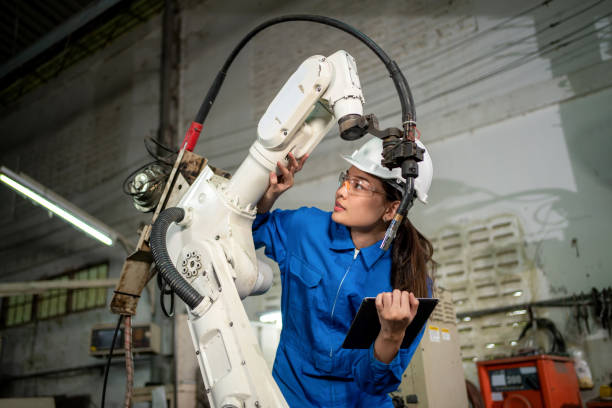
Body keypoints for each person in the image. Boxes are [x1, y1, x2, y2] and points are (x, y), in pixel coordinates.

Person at [252, 137, 435, 407]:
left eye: (358, 186)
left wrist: (392, 335)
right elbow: (245, 232)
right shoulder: (305, 229)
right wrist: (267, 197)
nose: (341, 191)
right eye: (345, 179)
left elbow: (376, 383)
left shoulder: (406, 281)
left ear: (392, 209)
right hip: (292, 396)